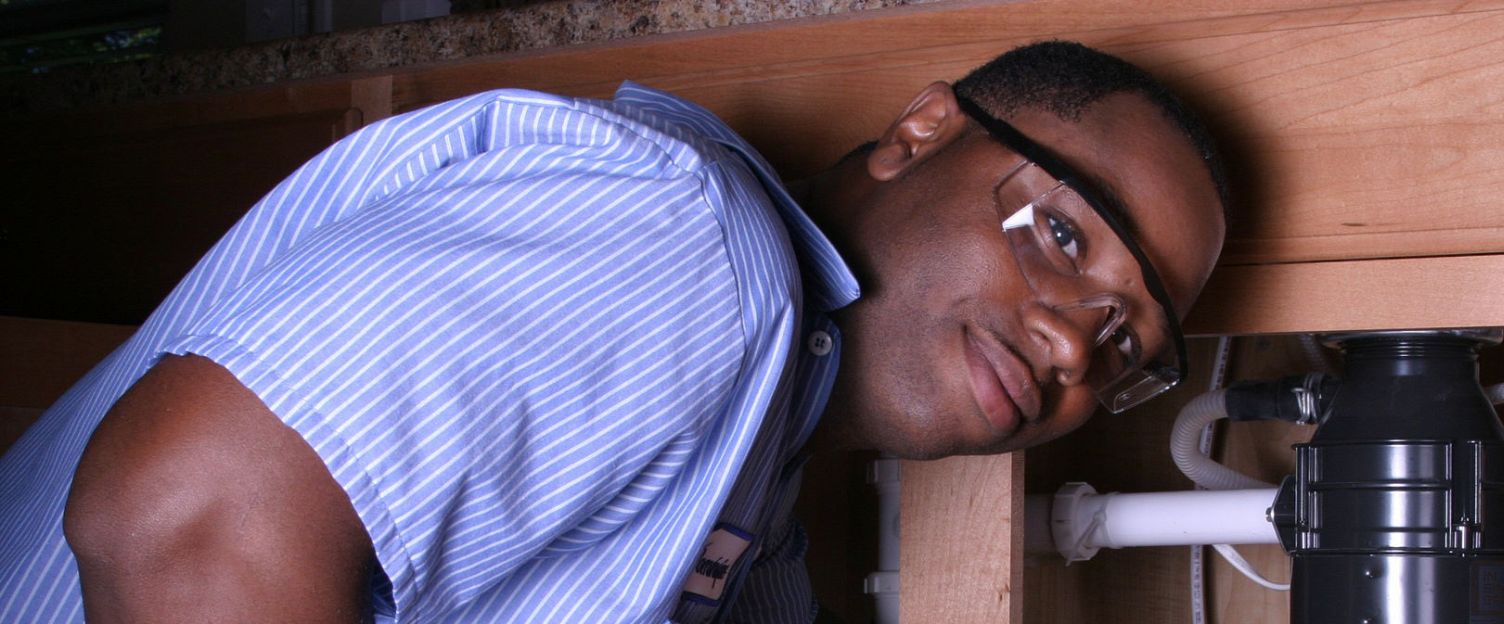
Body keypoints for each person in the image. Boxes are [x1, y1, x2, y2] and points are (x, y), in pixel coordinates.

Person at [0, 40, 1229, 622]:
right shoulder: (689, 240)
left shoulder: (761, 522)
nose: (1075, 347)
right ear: (920, 132)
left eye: (1126, 347)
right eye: (1065, 237)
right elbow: (183, 521)